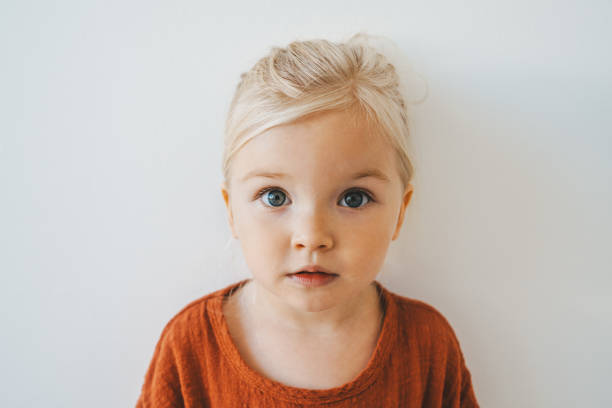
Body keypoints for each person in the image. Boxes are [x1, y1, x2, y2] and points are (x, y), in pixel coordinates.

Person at [136, 33, 479, 407]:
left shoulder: (427, 345)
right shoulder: (189, 348)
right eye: (275, 197)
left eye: (353, 198)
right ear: (231, 211)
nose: (311, 237)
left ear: (400, 212)